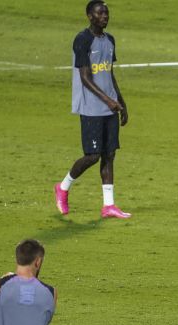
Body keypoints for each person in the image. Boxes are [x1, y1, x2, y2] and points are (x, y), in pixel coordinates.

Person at [54, 0, 131, 219]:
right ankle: (63, 187)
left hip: (110, 106)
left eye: (106, 12)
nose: (104, 16)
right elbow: (85, 77)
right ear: (90, 16)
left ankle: (108, 205)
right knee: (93, 155)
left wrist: (121, 102)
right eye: (100, 13)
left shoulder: (110, 40)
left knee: (109, 155)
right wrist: (108, 100)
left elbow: (109, 73)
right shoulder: (82, 40)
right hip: (91, 107)